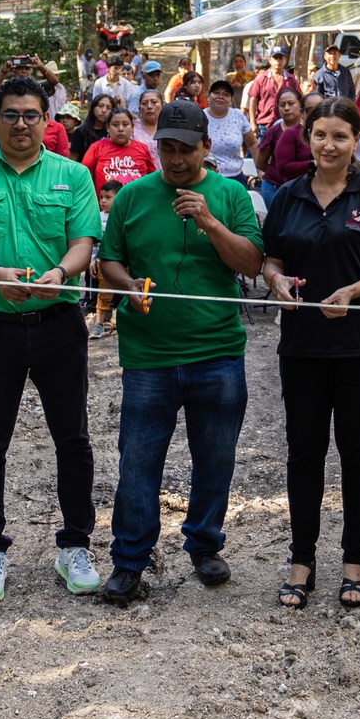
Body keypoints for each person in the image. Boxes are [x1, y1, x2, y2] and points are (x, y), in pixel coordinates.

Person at [0, 76, 104, 603]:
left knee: (72, 439)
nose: (21, 124)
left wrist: (61, 272)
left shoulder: (73, 175)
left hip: (59, 325)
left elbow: (83, 244)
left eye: (32, 115)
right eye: (11, 114)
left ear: (46, 120)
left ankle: (75, 545)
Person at [95, 100, 264, 602]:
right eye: (166, 148)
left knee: (215, 457)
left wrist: (209, 221)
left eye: (185, 149)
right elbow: (110, 260)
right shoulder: (132, 196)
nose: (175, 159)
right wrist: (128, 286)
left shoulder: (231, 194)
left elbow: (252, 264)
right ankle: (130, 559)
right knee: (138, 461)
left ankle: (205, 544)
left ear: (206, 147)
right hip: (149, 355)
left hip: (218, 350)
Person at [260, 98, 360, 611]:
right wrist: (276, 280)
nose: (329, 145)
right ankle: (301, 560)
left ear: (357, 141)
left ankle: (355, 561)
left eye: (340, 136)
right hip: (303, 346)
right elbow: (271, 260)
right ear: (308, 137)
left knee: (359, 453)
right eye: (321, 135)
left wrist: (352, 291)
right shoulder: (288, 195)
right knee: (304, 453)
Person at [81, 106, 158, 200]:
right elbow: (83, 177)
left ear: (132, 127)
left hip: (137, 204)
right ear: (108, 127)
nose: (121, 129)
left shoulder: (142, 148)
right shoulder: (96, 147)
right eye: (115, 125)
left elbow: (153, 179)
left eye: (125, 124)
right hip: (106, 207)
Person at [253, 86, 310, 210]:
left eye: (291, 103)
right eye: (282, 105)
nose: (286, 108)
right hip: (274, 187)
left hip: (304, 188)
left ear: (301, 106)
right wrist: (278, 171)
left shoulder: (311, 131)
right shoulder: (272, 132)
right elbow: (260, 163)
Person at [200, 79, 257, 185]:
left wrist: (260, 170)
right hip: (207, 178)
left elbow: (253, 144)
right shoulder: (200, 116)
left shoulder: (238, 116)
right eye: (216, 93)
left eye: (226, 94)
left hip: (235, 178)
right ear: (208, 97)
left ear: (230, 100)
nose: (220, 97)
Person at [69, 93, 118, 161]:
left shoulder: (114, 132)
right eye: (100, 106)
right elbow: (73, 159)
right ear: (93, 108)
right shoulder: (81, 132)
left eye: (108, 108)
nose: (104, 110)